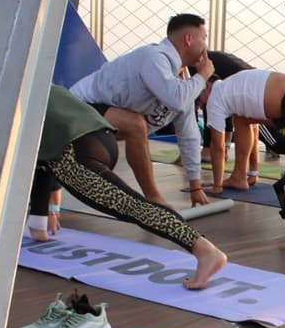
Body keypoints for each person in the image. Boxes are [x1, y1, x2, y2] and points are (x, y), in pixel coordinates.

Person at [27, 85, 227, 290]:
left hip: (75, 153)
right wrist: (40, 219)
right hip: (102, 138)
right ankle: (38, 224)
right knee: (129, 202)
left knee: (131, 205)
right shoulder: (38, 82)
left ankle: (204, 249)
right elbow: (42, 157)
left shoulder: (3, 97)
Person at [70, 13, 215, 208]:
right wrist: (204, 74)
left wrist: (195, 187)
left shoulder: (182, 82)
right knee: (135, 124)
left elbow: (189, 135)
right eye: (204, 38)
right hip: (80, 107)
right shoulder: (154, 58)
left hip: (105, 124)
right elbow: (177, 99)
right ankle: (152, 198)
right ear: (189, 39)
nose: (206, 45)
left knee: (135, 126)